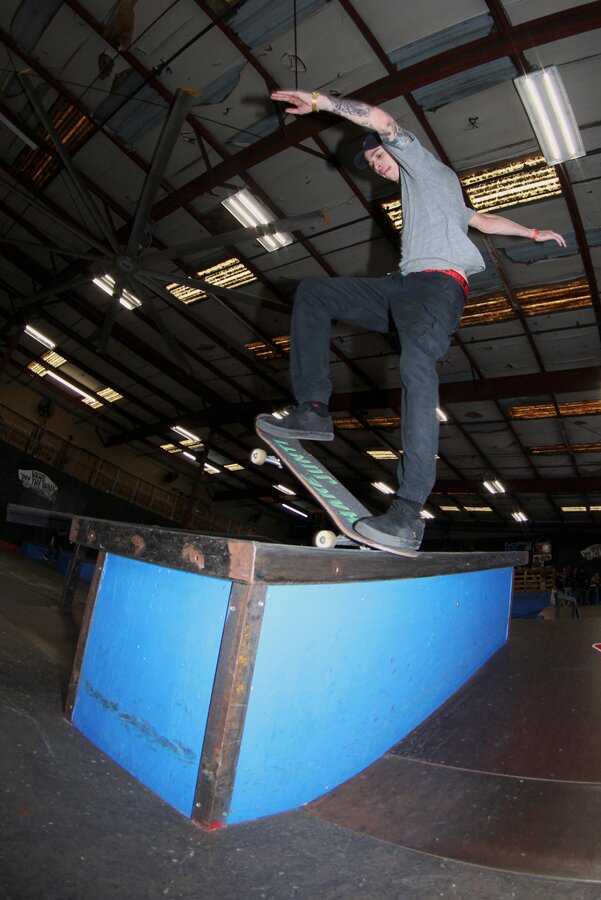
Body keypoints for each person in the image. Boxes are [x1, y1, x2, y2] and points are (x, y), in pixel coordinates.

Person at [256, 89, 566, 552]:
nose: (379, 166)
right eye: (373, 163)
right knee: (314, 293)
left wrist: (322, 103)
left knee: (416, 366)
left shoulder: (427, 168)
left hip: (438, 288)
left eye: (380, 157)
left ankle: (407, 510)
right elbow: (481, 220)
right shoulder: (436, 196)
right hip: (401, 287)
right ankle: (314, 409)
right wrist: (532, 231)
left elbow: (383, 121)